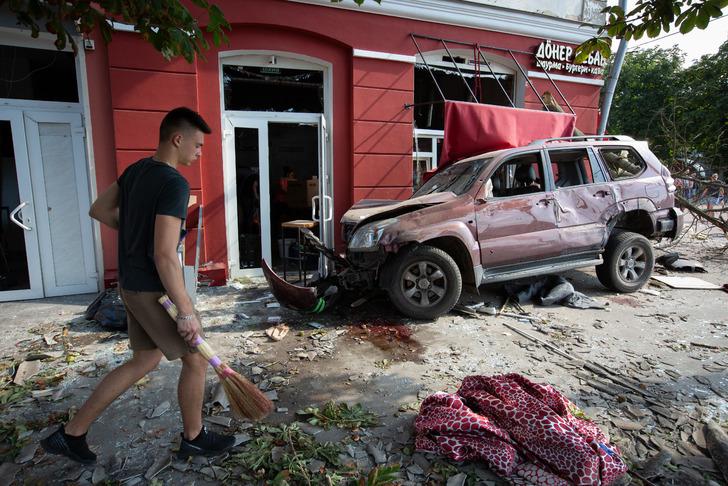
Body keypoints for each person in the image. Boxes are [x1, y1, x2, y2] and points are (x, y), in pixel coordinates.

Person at [40, 107, 235, 464]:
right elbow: (165, 255)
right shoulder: (174, 183)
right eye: (197, 145)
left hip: (129, 285)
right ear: (177, 139)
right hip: (152, 290)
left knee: (144, 360)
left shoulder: (134, 171)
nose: (200, 152)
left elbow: (99, 209)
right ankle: (193, 437)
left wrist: (134, 232)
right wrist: (186, 311)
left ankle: (71, 434)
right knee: (196, 361)